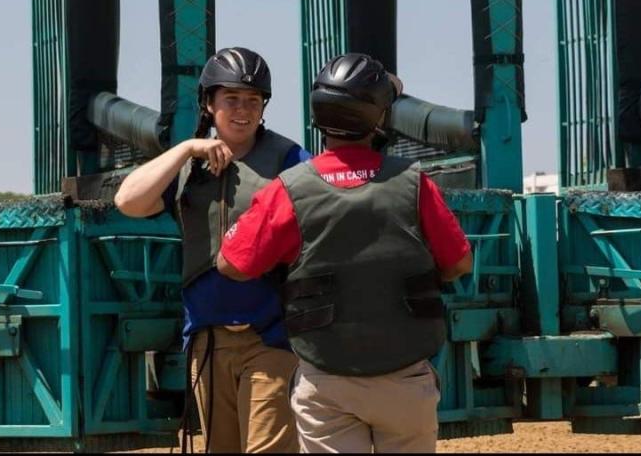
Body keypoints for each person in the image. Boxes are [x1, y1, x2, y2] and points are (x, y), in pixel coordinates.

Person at [215, 52, 473, 453]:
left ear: (318, 117)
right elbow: (458, 263)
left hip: (326, 376)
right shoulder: (414, 183)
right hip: (404, 375)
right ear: (378, 118)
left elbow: (232, 263)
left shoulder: (290, 188)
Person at [115, 47, 308, 453]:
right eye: (231, 99)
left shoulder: (290, 159)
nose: (243, 110)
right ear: (208, 103)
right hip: (207, 340)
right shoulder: (188, 167)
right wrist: (185, 149)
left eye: (253, 101)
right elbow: (128, 202)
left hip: (272, 337)